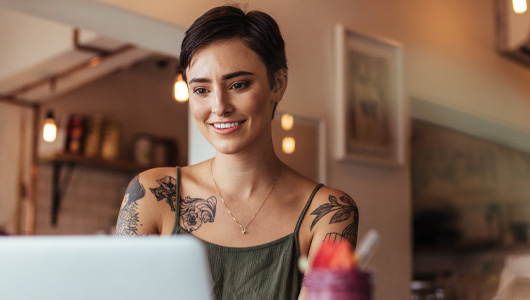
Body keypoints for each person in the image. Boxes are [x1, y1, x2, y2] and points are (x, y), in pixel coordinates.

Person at [115, 5, 359, 300]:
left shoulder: (328, 213)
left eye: (238, 85)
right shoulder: (152, 195)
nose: (219, 107)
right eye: (201, 90)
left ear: (278, 84)